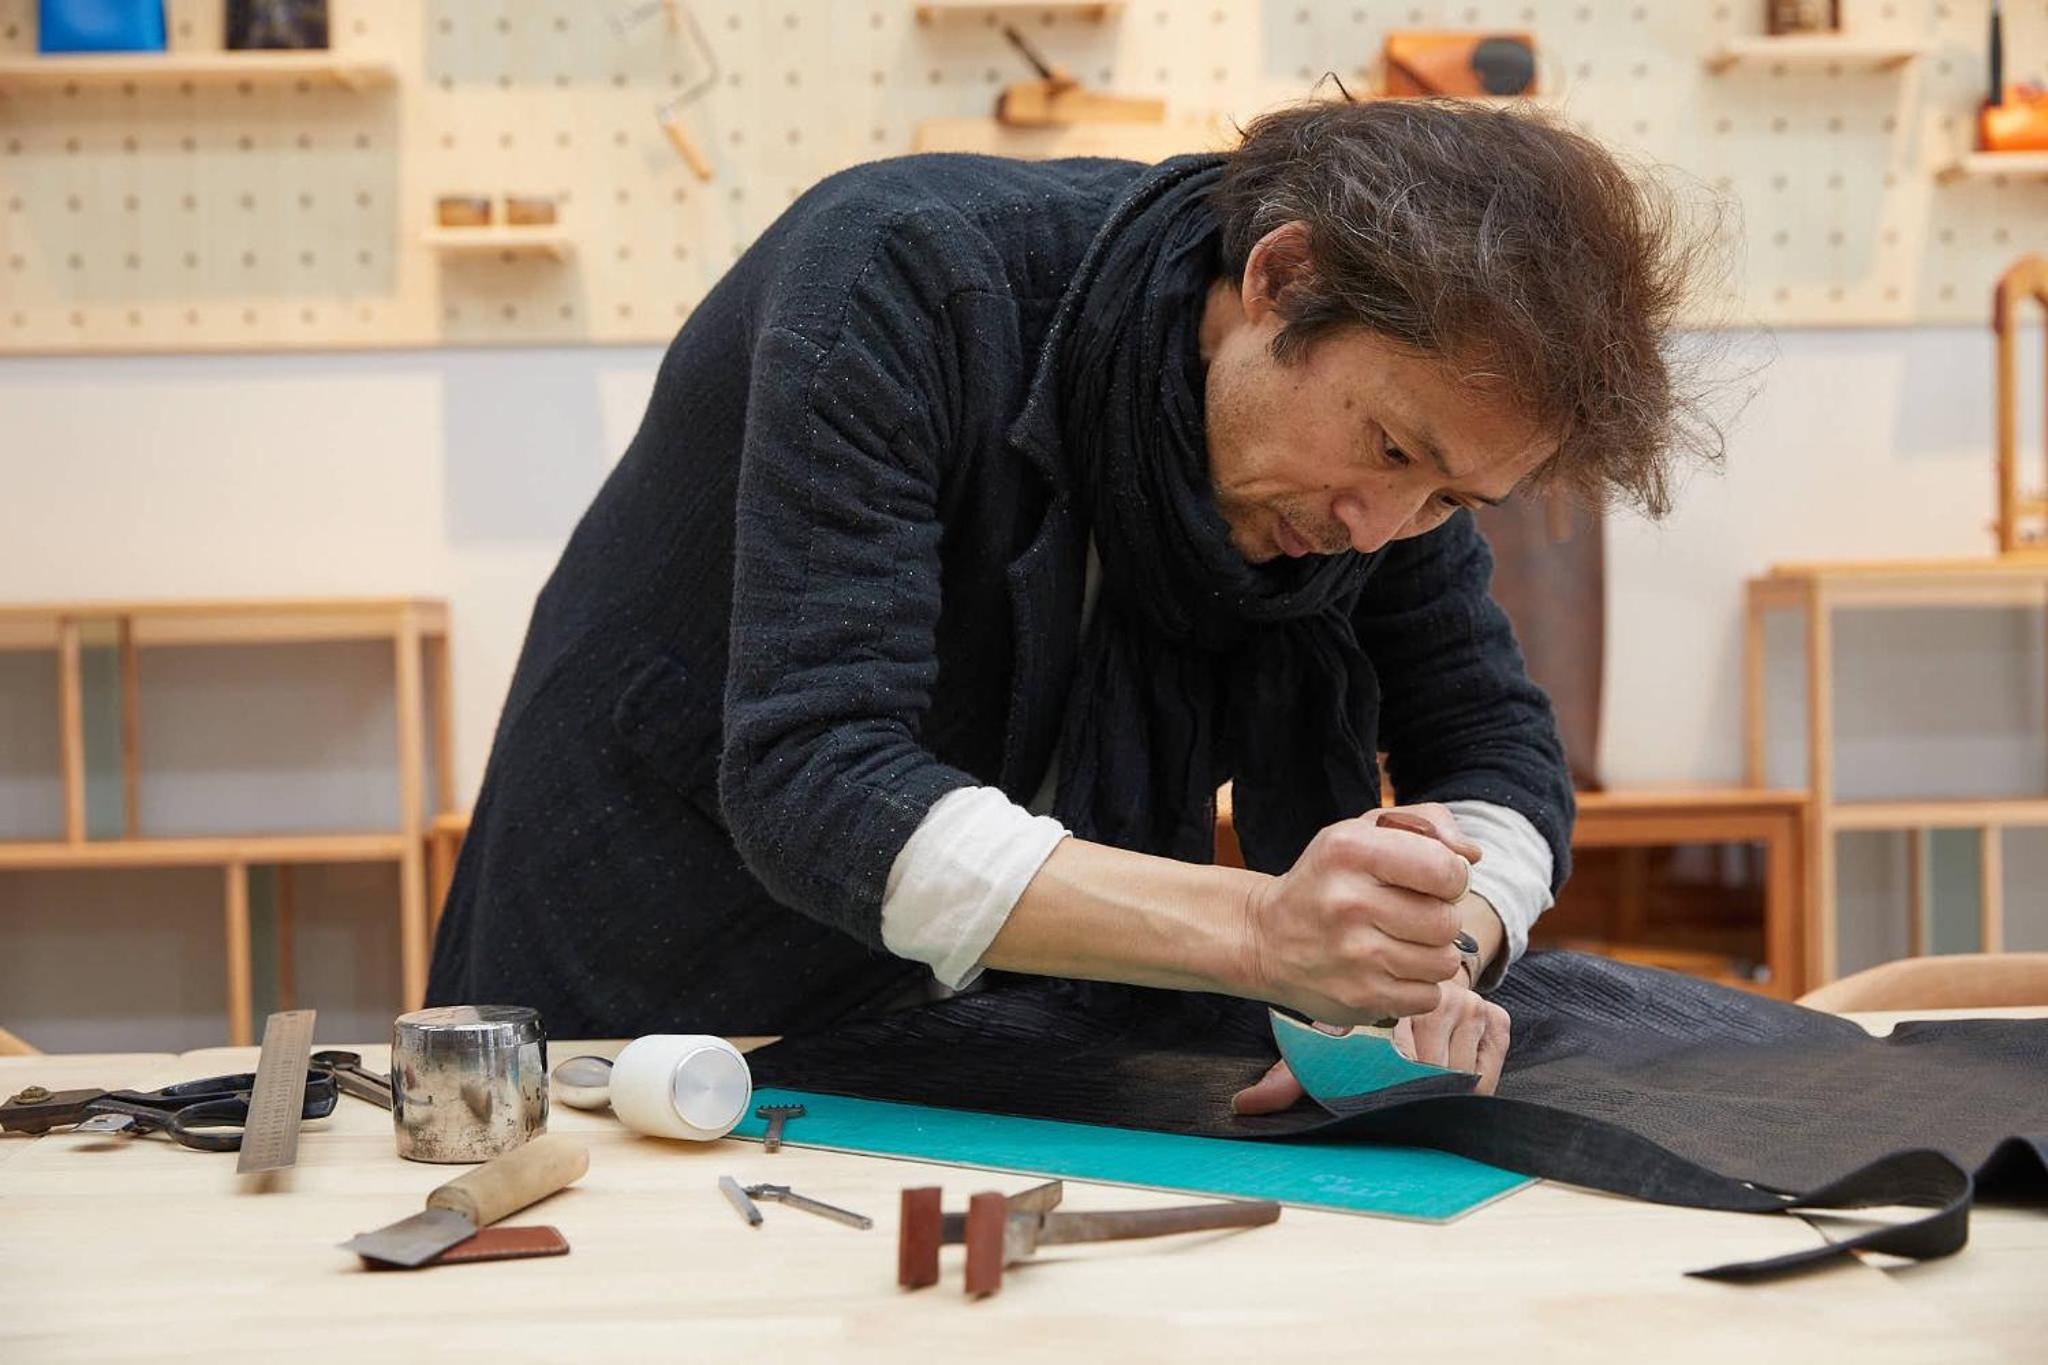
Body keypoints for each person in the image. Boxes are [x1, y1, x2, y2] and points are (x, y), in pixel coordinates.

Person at [426, 98, 1712, 1114]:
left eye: (1450, 500)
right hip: (654, 980)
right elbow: (816, 779)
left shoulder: (1386, 473)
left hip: (973, 1027)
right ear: (1278, 280)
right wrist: (1264, 930)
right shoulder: (901, 277)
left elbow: (1491, 741)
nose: (1380, 531)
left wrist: (1429, 951)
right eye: (1388, 452)